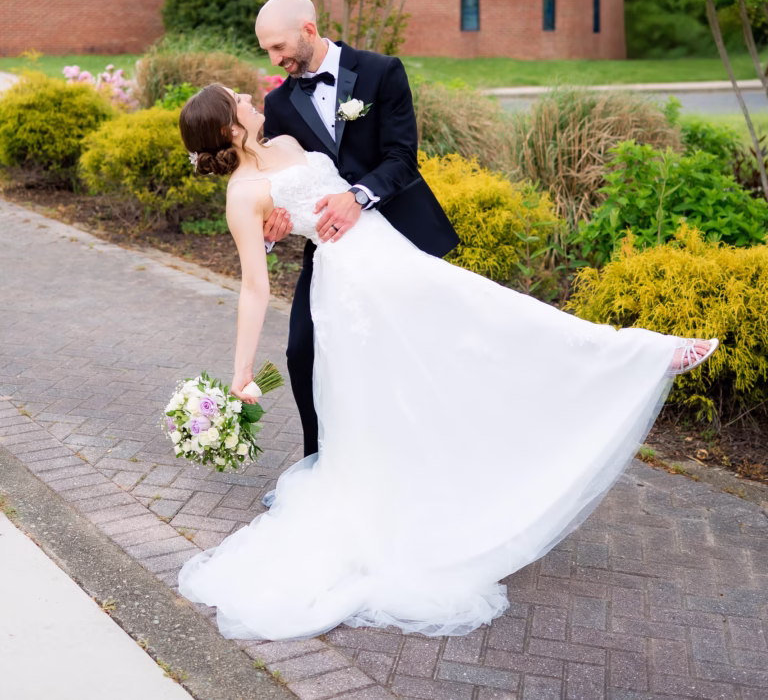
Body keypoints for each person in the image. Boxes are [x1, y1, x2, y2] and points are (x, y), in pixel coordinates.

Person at [175, 70, 718, 642]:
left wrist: (294, 217)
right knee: (402, 390)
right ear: (230, 129)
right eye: (236, 101)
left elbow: (330, 188)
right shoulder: (242, 194)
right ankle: (640, 353)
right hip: (353, 288)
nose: (247, 97)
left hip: (391, 253)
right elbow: (254, 285)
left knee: (482, 326)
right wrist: (240, 368)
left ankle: (629, 354)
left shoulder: (286, 142)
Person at [255, 0, 458, 458]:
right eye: (268, 49)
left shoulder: (381, 72)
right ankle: (316, 467)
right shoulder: (279, 104)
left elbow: (402, 157)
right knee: (302, 352)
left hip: (397, 234)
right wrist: (273, 230)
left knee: (416, 352)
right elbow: (277, 181)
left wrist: (357, 197)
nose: (275, 58)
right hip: (329, 249)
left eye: (279, 46)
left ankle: (420, 455)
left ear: (308, 30)